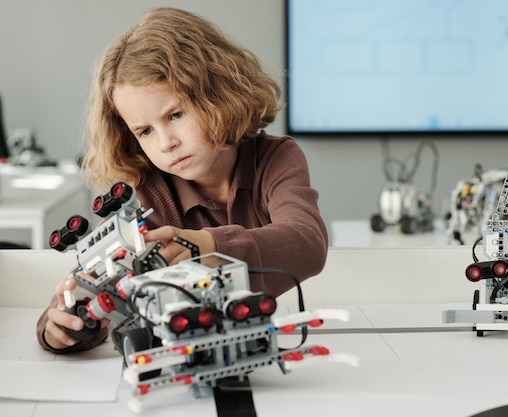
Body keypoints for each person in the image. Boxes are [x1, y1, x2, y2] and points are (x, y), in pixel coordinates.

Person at [36, 7, 328, 353]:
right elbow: (106, 288)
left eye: (176, 114)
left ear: (218, 95)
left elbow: (307, 241)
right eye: (144, 131)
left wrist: (206, 245)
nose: (165, 143)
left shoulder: (275, 159)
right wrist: (62, 326)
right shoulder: (148, 195)